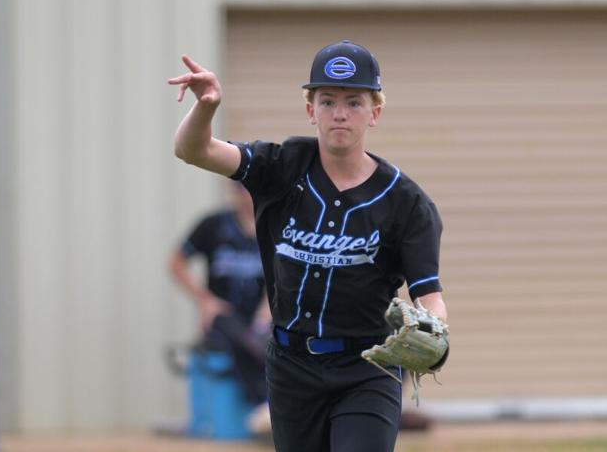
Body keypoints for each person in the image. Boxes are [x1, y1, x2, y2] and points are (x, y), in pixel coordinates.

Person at [168, 41, 448, 452]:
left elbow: (430, 296)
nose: (339, 112)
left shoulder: (406, 203)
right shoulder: (280, 166)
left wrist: (433, 328)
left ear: (375, 112)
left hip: (367, 368)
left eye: (354, 101)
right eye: (327, 100)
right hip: (290, 368)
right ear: (309, 109)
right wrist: (207, 106)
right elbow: (192, 150)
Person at [168, 181, 271, 431]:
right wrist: (205, 299)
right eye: (243, 190)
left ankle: (278, 408)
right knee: (237, 335)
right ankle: (264, 403)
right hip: (221, 315)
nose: (248, 196)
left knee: (269, 337)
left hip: (257, 315)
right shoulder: (213, 225)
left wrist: (268, 307)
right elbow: (176, 262)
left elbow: (283, 272)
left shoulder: (272, 226)